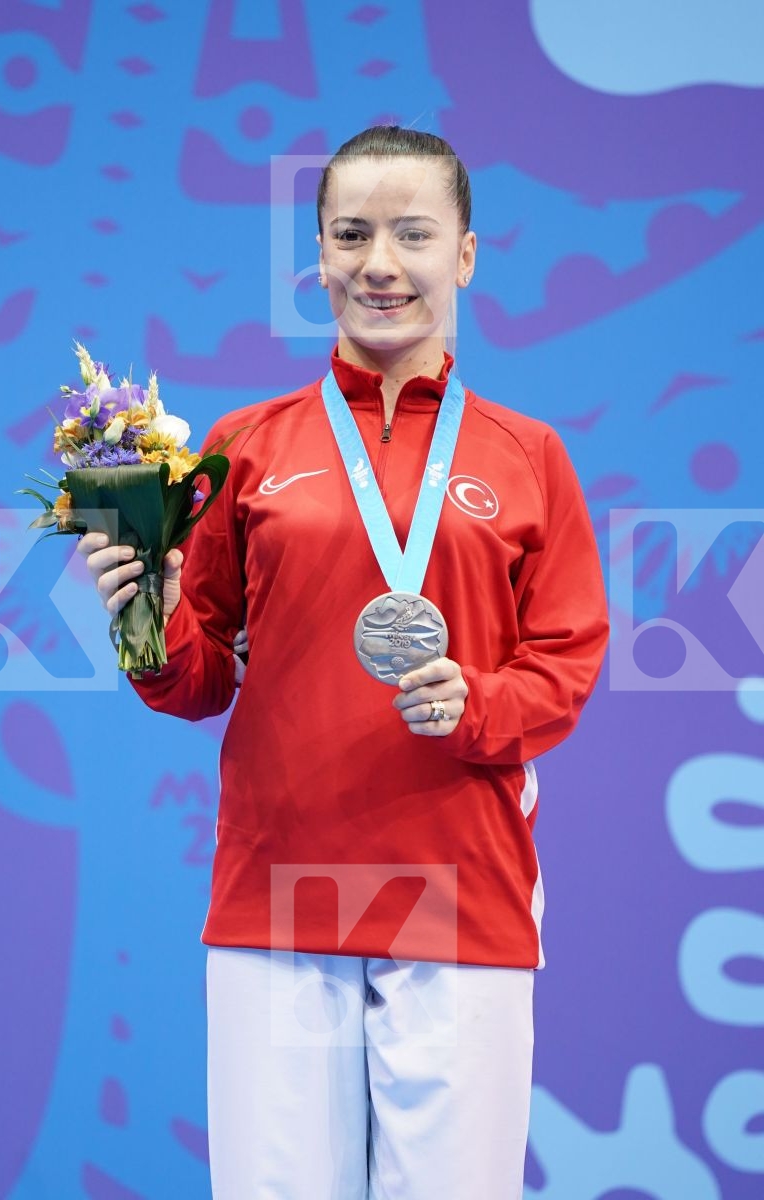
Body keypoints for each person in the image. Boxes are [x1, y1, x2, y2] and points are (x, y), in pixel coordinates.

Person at [78, 126, 610, 1200]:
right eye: (351, 233)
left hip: (458, 889)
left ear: (464, 253)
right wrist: (150, 620)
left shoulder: (527, 455)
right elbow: (199, 682)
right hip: (277, 890)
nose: (380, 262)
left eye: (412, 233)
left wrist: (476, 699)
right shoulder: (248, 447)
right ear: (315, 257)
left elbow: (565, 662)